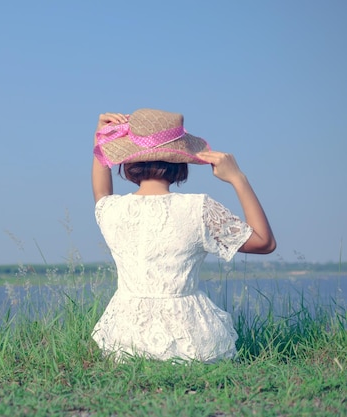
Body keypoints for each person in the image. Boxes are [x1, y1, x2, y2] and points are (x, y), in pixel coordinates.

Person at [91, 109, 276, 363]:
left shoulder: (110, 210)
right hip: (191, 344)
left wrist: (101, 138)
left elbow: (101, 190)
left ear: (127, 162)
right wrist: (238, 178)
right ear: (181, 164)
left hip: (125, 343)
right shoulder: (198, 209)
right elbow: (265, 242)